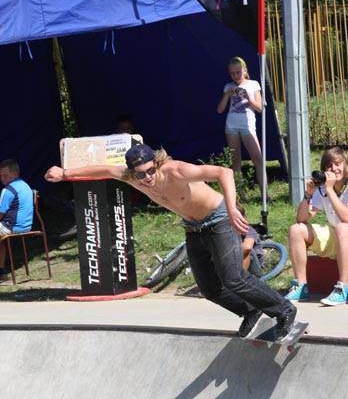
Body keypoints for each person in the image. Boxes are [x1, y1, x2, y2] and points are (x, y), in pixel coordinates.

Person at [45, 143, 297, 340]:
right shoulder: (130, 177)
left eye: (150, 171)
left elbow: (224, 172)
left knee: (232, 277)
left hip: (219, 218)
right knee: (209, 288)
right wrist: (65, 173)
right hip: (193, 228)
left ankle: (283, 310)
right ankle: (250, 311)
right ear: (133, 173)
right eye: (140, 174)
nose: (147, 178)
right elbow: (102, 169)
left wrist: (232, 209)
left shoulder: (176, 170)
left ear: (156, 163)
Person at [285, 147, 348, 306]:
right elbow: (302, 218)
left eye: (338, 164)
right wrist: (308, 194)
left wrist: (329, 189)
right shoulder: (322, 188)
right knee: (297, 229)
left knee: (342, 226)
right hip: (340, 236)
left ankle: (343, 289)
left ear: (346, 165)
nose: (334, 169)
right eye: (329, 166)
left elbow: (346, 217)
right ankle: (302, 286)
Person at [217, 56, 269, 198]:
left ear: (245, 71)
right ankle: (241, 194)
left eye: (238, 72)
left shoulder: (253, 84)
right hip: (231, 126)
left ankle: (265, 194)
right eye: (232, 73)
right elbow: (220, 110)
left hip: (247, 126)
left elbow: (260, 108)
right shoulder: (228, 86)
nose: (235, 76)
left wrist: (248, 97)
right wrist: (227, 95)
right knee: (236, 161)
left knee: (258, 159)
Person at [0, 159, 34, 281]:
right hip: (27, 226)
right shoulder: (25, 185)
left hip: (11, 227)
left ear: (15, 174)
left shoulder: (8, 190)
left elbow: (0, 214)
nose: (2, 179)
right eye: (1, 176)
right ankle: (1, 271)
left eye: (5, 175)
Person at [236, 202, 265, 276]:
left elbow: (247, 247)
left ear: (244, 218)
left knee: (248, 250)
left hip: (255, 269)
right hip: (235, 263)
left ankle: (241, 280)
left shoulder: (248, 229)